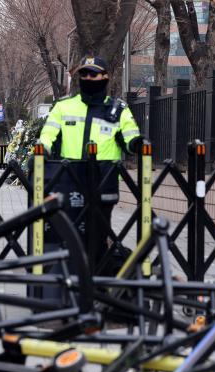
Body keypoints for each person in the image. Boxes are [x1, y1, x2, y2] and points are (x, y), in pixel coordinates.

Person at [39, 56, 142, 273]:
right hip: (69, 181)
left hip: (103, 180)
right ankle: (70, 280)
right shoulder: (63, 106)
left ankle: (97, 282)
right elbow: (48, 135)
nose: (87, 78)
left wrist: (137, 144)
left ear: (105, 77)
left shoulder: (118, 110)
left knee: (97, 235)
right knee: (68, 234)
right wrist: (41, 151)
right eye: (83, 74)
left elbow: (131, 138)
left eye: (93, 74)